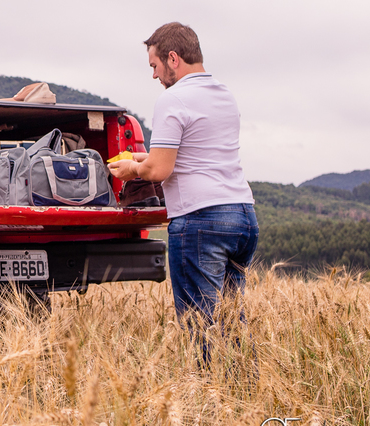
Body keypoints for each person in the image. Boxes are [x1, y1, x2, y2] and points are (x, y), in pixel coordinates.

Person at [107, 23, 258, 352]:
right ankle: (245, 394)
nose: (154, 76)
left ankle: (208, 397)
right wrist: (142, 157)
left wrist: (133, 168)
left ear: (172, 58)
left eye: (154, 66)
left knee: (199, 327)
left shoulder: (173, 99)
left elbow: (160, 169)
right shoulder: (224, 94)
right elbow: (194, 153)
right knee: (233, 325)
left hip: (201, 221)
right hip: (242, 217)